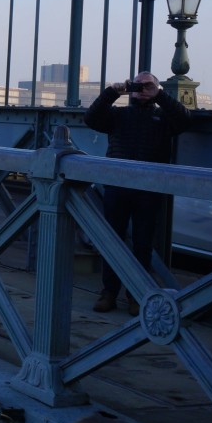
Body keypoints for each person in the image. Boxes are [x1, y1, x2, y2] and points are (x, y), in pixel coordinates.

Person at [84, 71, 191, 315]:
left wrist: (160, 95)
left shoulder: (163, 117)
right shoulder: (118, 115)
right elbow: (91, 119)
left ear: (156, 87)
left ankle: (136, 294)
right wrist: (113, 92)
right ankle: (109, 292)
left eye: (148, 85)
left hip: (148, 189)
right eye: (137, 85)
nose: (142, 89)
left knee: (143, 244)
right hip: (117, 186)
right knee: (113, 241)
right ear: (130, 88)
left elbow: (185, 121)